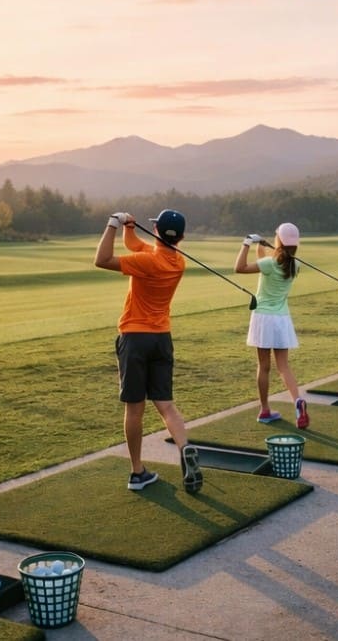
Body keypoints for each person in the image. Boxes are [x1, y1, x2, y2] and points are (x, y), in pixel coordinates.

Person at [93, 209, 202, 493]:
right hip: (161, 339)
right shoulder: (177, 262)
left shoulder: (147, 261)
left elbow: (101, 260)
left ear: (156, 232)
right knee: (165, 404)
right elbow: (136, 246)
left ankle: (137, 471)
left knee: (135, 408)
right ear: (181, 238)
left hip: (135, 337)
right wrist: (129, 229)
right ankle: (185, 447)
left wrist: (112, 225)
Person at [234, 223, 310, 429]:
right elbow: (265, 261)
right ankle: (298, 400)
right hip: (282, 319)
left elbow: (239, 268)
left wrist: (246, 244)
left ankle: (265, 409)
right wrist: (261, 244)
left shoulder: (269, 263)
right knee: (283, 367)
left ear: (279, 240)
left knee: (264, 367)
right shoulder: (295, 265)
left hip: (264, 318)